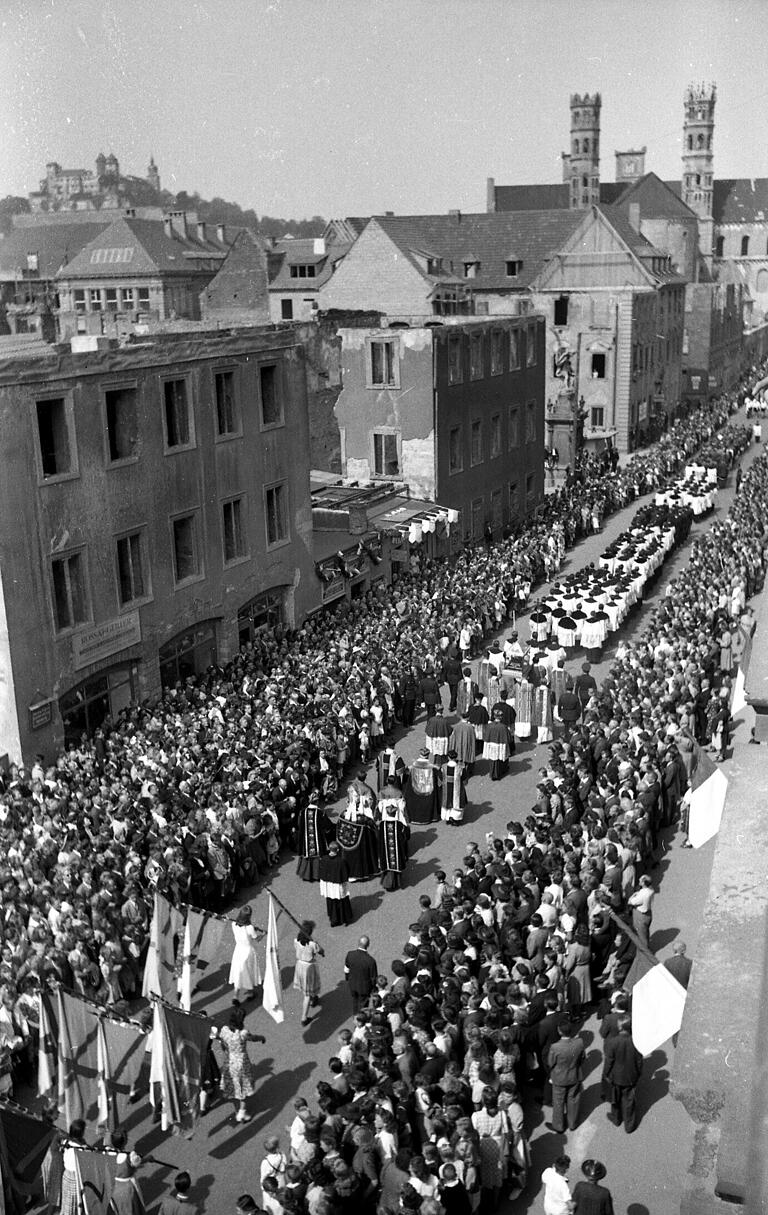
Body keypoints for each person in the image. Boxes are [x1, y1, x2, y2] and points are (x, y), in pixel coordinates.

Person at [219, 1004, 266, 1123]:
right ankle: (242, 1113)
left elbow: (223, 1044)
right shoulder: (242, 1033)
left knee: (234, 1086)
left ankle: (238, 1109)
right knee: (244, 1088)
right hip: (241, 1063)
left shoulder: (224, 1030)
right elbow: (254, 1038)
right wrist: (262, 1038)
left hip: (229, 1061)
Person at [603, 1016, 643, 1133]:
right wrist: (638, 1074)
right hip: (630, 1077)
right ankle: (629, 1125)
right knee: (629, 1101)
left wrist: (606, 1074)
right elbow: (639, 1061)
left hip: (616, 1077)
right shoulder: (636, 1042)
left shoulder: (613, 1042)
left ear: (620, 1027)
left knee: (615, 1099)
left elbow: (609, 1061)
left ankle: (616, 1119)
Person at [546, 1018, 586, 1134]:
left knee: (558, 1102)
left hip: (559, 1078)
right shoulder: (579, 1042)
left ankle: (558, 1126)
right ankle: (572, 1123)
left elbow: (550, 1062)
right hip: (574, 1075)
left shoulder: (555, 1047)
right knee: (573, 1099)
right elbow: (582, 1058)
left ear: (559, 1031)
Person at [228, 905, 263, 1003]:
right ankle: (250, 992)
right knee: (249, 972)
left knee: (239, 972)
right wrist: (263, 934)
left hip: (238, 950)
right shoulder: (249, 927)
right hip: (248, 951)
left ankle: (235, 995)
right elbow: (257, 939)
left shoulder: (234, 924)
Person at [293, 920, 324, 1026]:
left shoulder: (296, 941)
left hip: (300, 965)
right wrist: (319, 947)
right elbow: (319, 951)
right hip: (308, 967)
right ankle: (304, 1018)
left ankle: (313, 998)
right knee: (307, 994)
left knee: (309, 987)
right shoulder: (312, 944)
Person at [318, 842, 354, 927]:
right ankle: (343, 918)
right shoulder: (341, 861)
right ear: (337, 850)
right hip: (338, 884)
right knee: (341, 901)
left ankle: (333, 919)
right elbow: (346, 871)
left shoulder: (324, 859)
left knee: (331, 901)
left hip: (328, 884)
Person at [344, 937, 378, 1013]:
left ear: (358, 943)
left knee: (355, 1001)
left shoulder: (350, 954)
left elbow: (346, 969)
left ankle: (355, 1016)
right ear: (368, 945)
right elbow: (373, 978)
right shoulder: (371, 961)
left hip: (352, 984)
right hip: (364, 988)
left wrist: (348, 979)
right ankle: (360, 1020)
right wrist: (374, 989)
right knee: (363, 1006)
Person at [628, 875, 654, 951]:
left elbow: (630, 902)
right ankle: (647, 945)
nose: (639, 879)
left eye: (641, 880)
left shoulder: (643, 895)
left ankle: (645, 952)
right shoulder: (651, 890)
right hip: (648, 913)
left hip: (640, 915)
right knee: (645, 931)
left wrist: (633, 895)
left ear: (643, 883)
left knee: (641, 935)